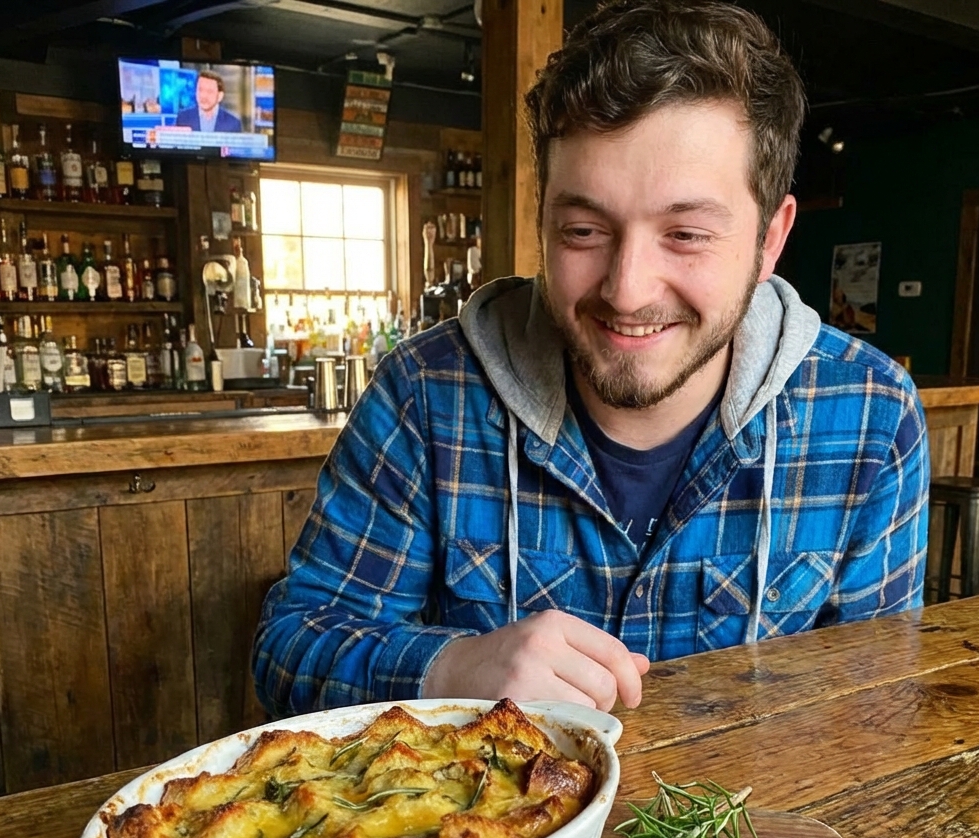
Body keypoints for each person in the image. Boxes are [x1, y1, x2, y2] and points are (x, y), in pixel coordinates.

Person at [254, 0, 929, 717]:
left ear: (770, 239)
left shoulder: (871, 418)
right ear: (543, 216)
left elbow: (875, 707)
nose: (627, 290)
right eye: (583, 229)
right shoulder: (426, 394)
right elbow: (289, 650)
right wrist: (450, 667)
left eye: (687, 235)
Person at [175, 69, 242, 133]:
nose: (203, 96)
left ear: (220, 96)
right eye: (200, 90)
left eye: (209, 91)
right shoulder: (183, 118)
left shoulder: (233, 123)